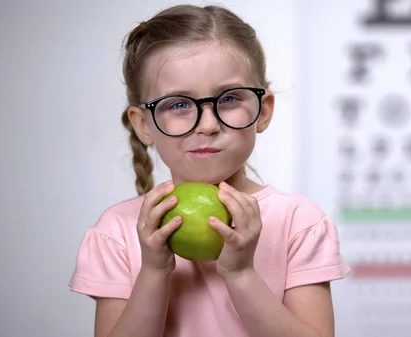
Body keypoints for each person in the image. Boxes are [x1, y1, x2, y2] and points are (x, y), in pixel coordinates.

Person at [68, 4, 350, 337]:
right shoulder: (118, 232)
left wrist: (242, 274)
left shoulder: (299, 221)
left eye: (229, 98)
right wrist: (154, 271)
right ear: (143, 125)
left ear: (262, 111)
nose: (208, 124)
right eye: (178, 104)